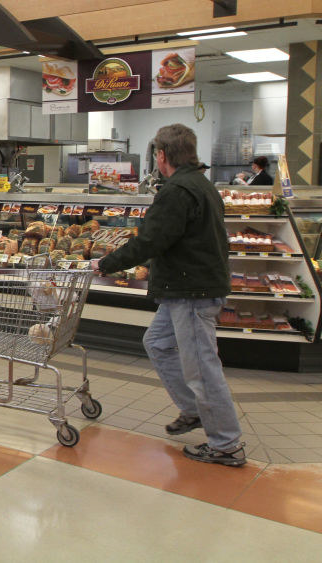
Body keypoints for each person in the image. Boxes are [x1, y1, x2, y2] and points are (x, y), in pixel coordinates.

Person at [92, 124, 245, 467]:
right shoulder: (202, 185)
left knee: (201, 369)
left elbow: (150, 242)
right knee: (157, 343)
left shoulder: (177, 191)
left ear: (161, 156)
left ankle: (227, 444)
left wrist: (107, 263)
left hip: (191, 291)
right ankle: (194, 410)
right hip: (187, 287)